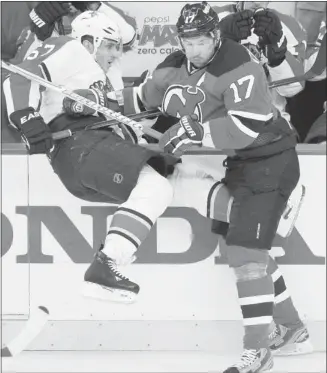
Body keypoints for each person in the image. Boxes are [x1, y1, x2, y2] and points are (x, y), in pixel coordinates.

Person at [61, 2, 312, 371]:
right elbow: (139, 98)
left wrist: (195, 132)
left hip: (269, 160)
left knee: (245, 256)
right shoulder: (175, 64)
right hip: (233, 166)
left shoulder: (238, 63)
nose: (194, 49)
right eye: (187, 41)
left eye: (200, 41)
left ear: (215, 36)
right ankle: (292, 329)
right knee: (245, 248)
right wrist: (94, 102)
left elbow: (245, 129)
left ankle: (257, 350)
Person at [214, 1, 307, 125]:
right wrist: (215, 42)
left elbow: (292, 89)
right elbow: (184, 79)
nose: (257, 1)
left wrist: (278, 58)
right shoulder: (207, 17)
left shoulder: (290, 26)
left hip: (270, 124)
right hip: (217, 121)